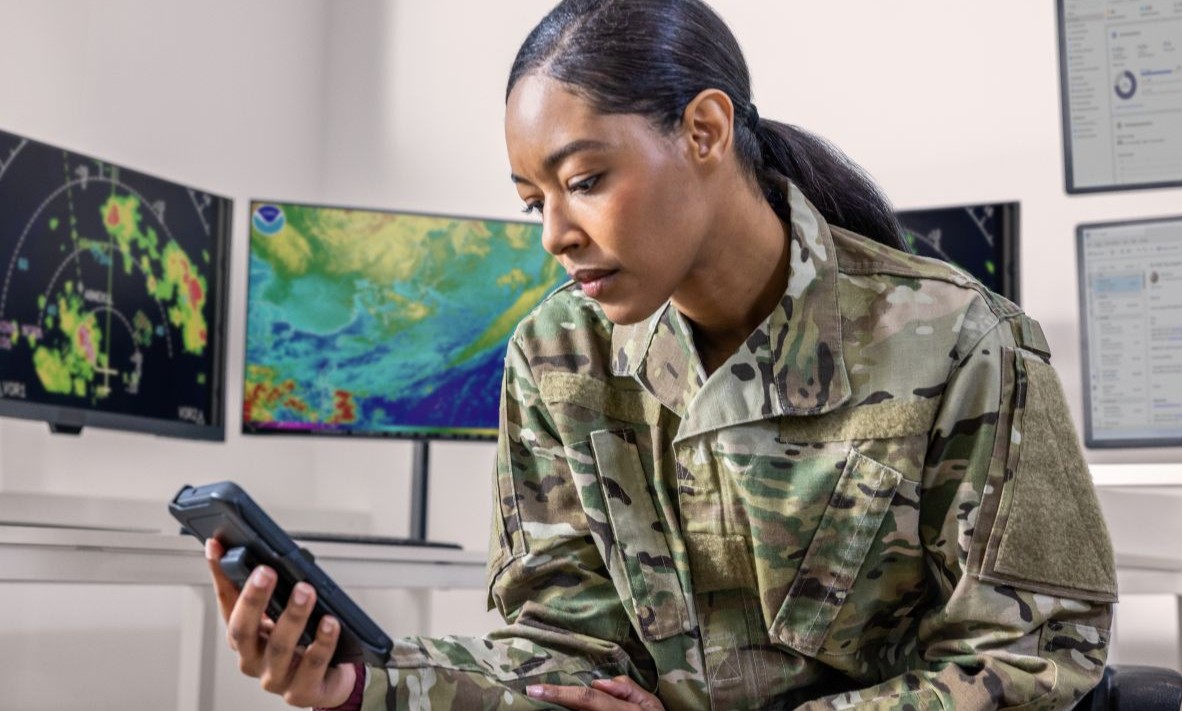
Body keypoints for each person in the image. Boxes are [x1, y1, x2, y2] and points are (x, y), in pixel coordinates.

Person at [206, 0, 1118, 709]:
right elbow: (567, 655)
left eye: (586, 180)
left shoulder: (962, 340)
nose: (555, 236)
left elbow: (1031, 656)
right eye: (535, 201)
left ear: (706, 131)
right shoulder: (556, 355)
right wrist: (364, 680)